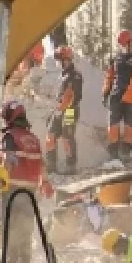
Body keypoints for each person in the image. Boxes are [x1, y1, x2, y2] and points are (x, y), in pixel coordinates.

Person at [0, 101, 54, 263]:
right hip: (30, 194)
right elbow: (41, 165)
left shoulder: (10, 137)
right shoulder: (34, 139)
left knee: (10, 230)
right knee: (25, 230)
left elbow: (7, 160)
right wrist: (45, 184)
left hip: (12, 192)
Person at [103, 30, 132, 158]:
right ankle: (116, 153)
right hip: (122, 98)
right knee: (118, 124)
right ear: (128, 42)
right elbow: (110, 77)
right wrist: (106, 93)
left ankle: (122, 152)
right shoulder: (120, 59)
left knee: (124, 125)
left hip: (126, 98)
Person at [44, 45, 83, 174]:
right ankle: (51, 164)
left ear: (67, 59)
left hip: (70, 110)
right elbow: (60, 95)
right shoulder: (62, 75)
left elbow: (74, 96)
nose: (60, 63)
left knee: (67, 136)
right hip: (59, 110)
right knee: (51, 134)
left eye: (61, 60)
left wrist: (64, 107)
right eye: (59, 60)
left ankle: (71, 166)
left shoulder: (75, 76)